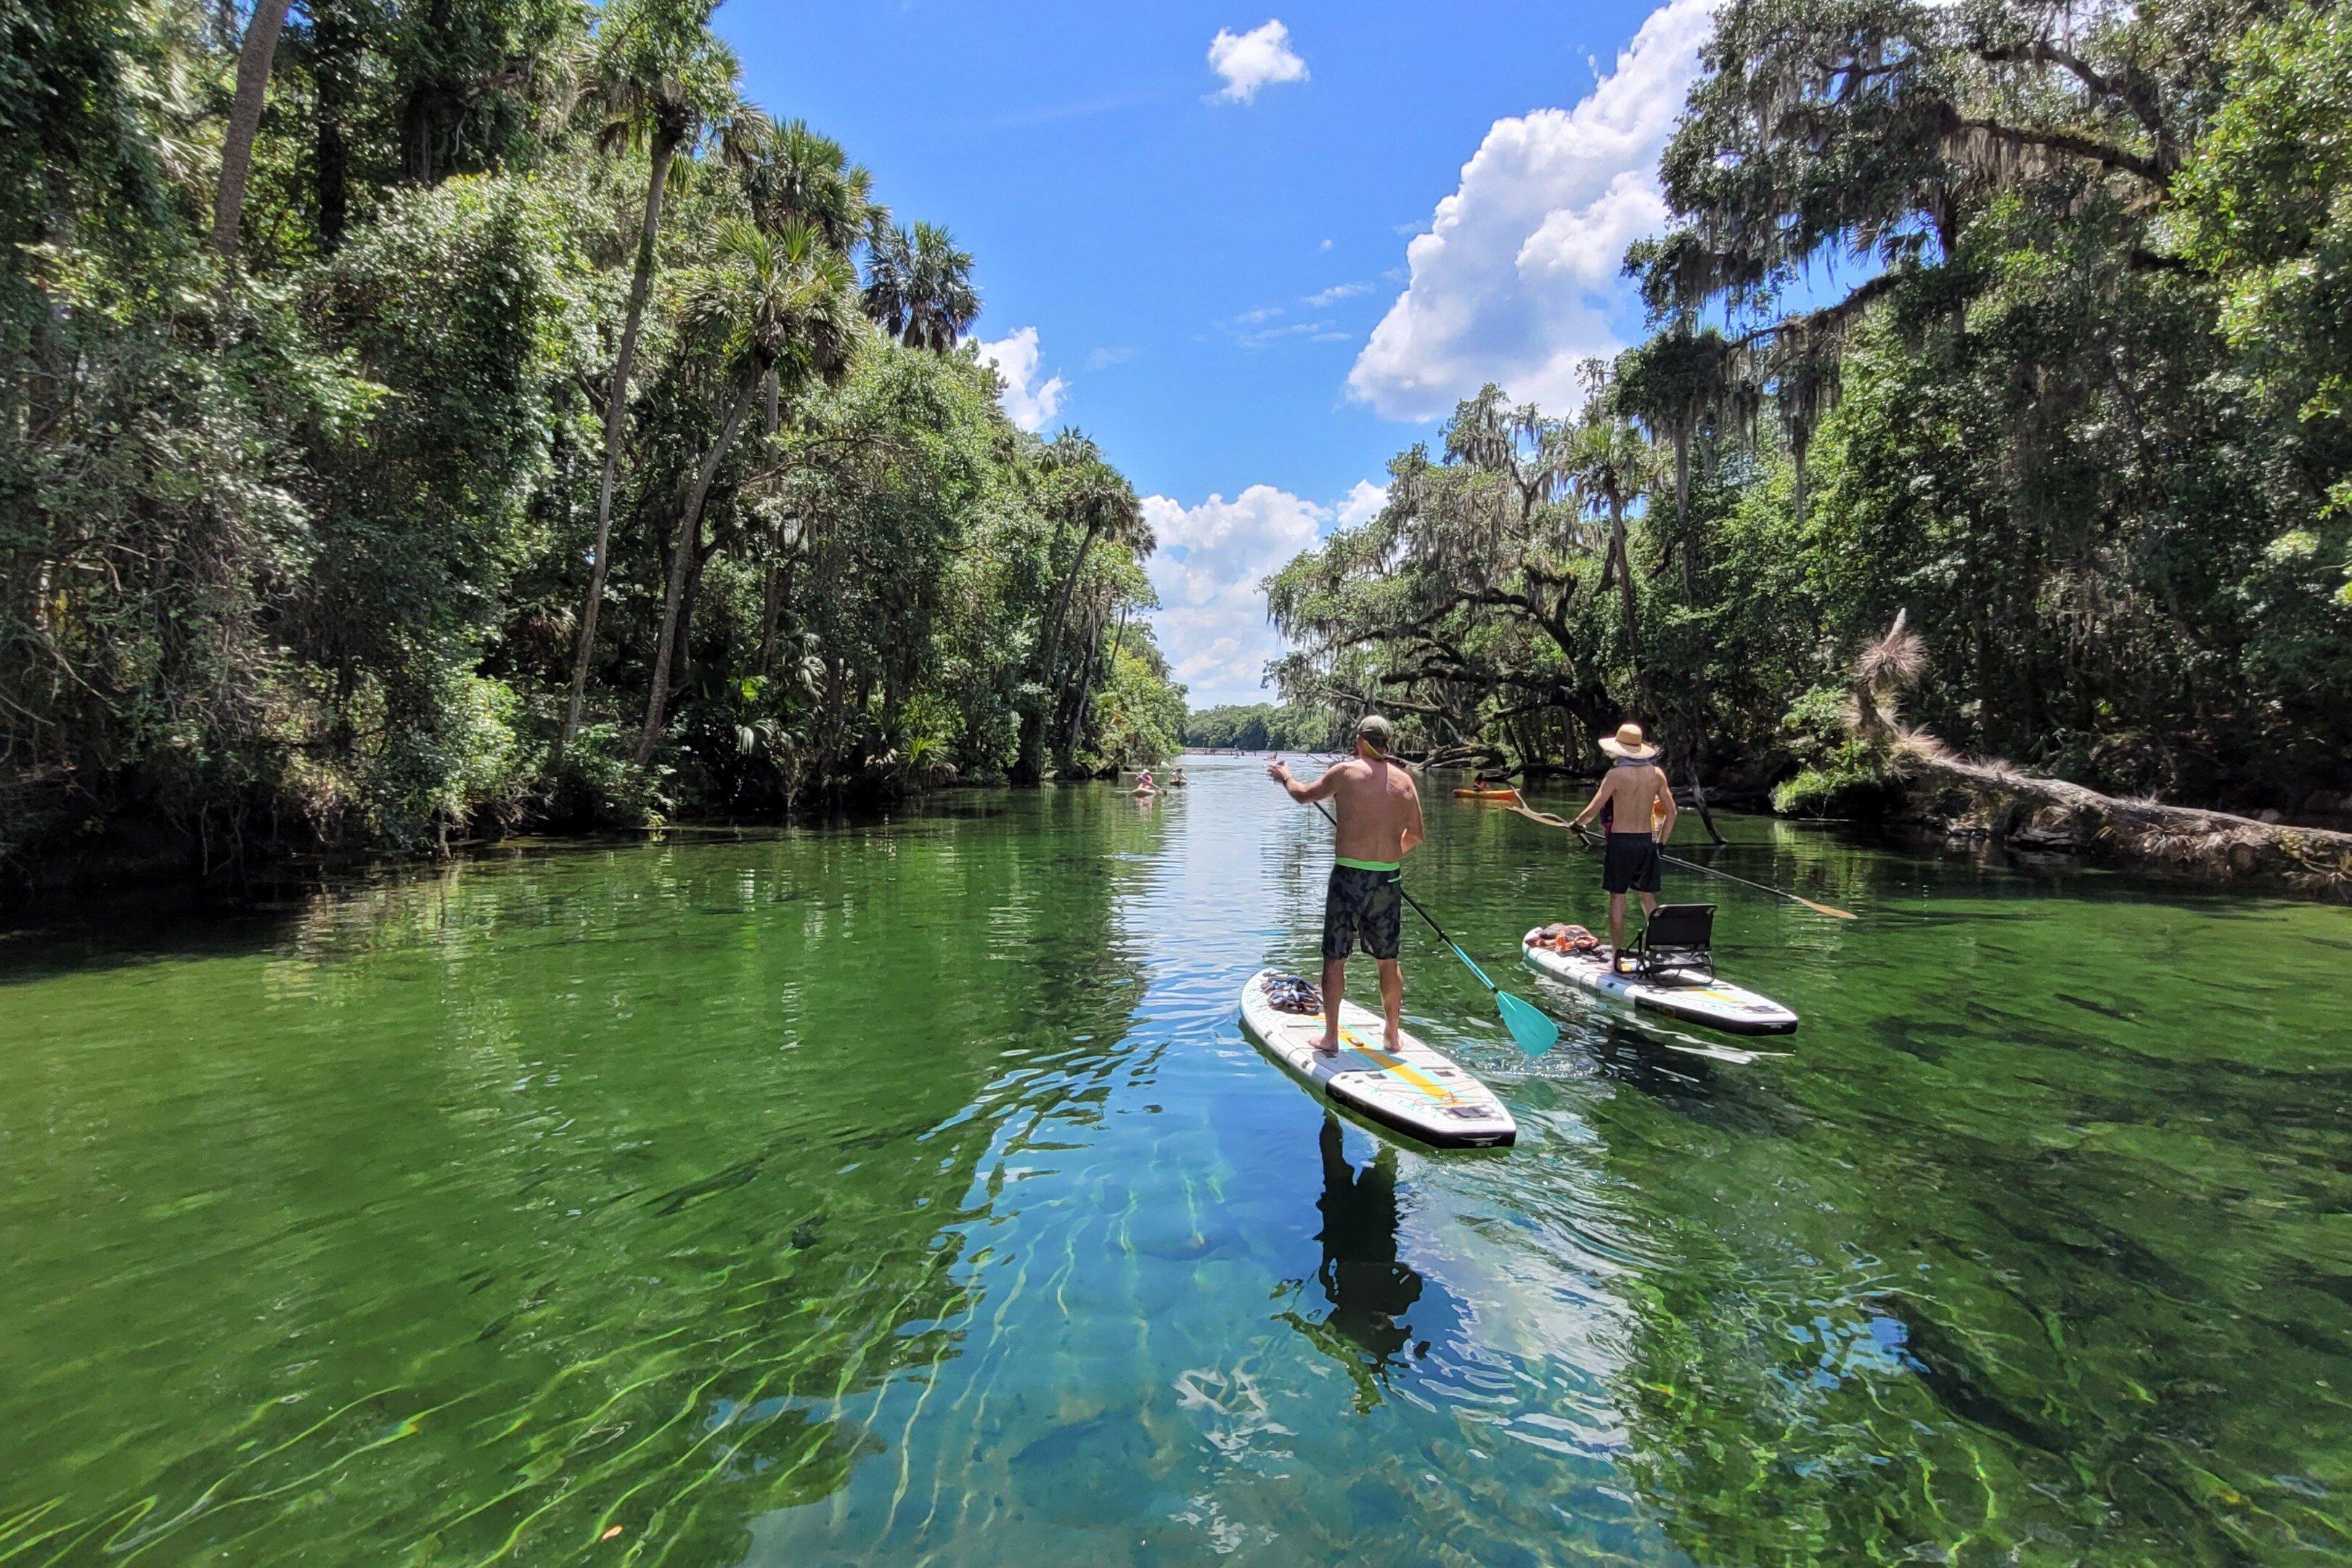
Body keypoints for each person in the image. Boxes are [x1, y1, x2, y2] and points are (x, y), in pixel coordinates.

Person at [1267, 715, 1425, 1053]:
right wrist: (1386, 857)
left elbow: (1302, 795)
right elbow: (1416, 836)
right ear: (1388, 743)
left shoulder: (1345, 772)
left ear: (1359, 742)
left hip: (1348, 877)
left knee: (1335, 958)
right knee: (1388, 961)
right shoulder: (1405, 782)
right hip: (1387, 879)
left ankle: (1330, 1038)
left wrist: (1285, 776)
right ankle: (1393, 1035)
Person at [1569, 722, 1678, 974]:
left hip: (1621, 843)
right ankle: (1658, 949)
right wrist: (1660, 843)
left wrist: (1576, 824)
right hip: (1647, 842)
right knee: (1647, 897)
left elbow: (1592, 810)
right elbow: (1672, 813)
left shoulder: (1615, 775)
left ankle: (1617, 957)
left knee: (1618, 898)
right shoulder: (1657, 774)